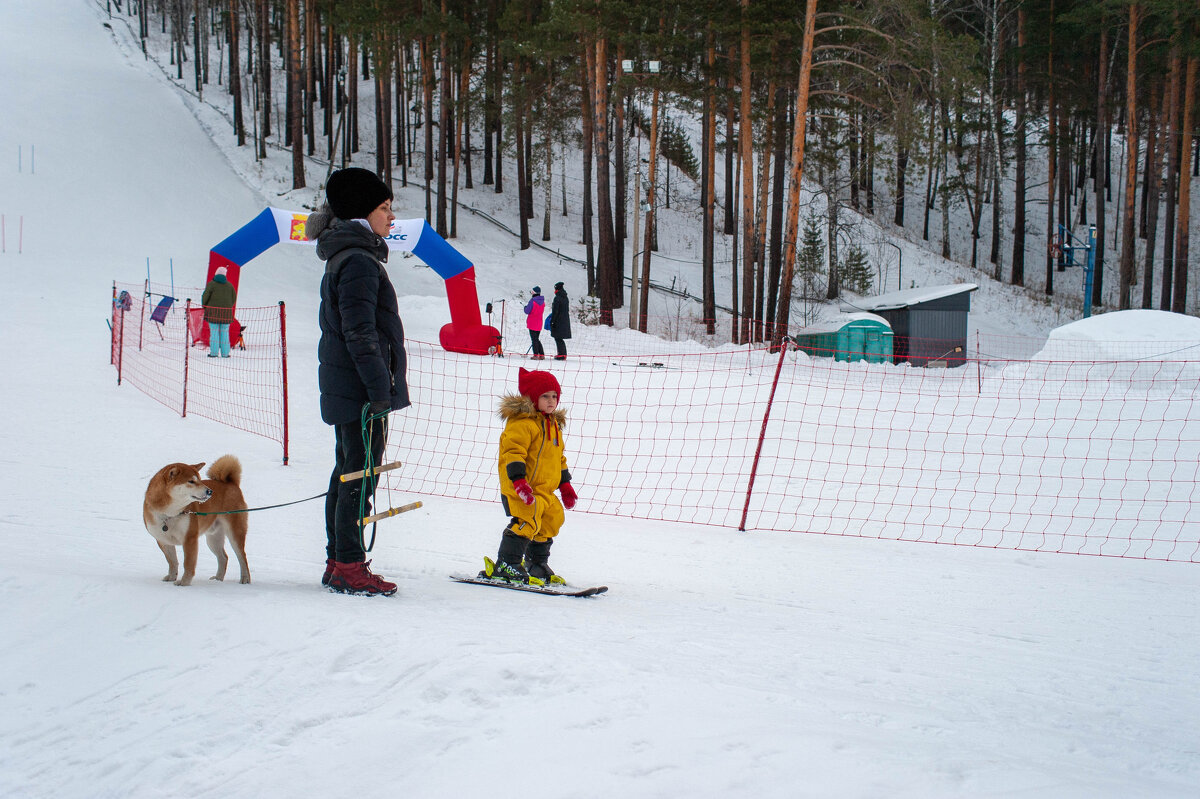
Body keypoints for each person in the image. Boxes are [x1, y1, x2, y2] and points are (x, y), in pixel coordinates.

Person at [306, 167, 408, 597]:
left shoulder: (345, 256)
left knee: (347, 473)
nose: (391, 217)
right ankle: (348, 564)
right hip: (360, 390)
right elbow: (360, 332)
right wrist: (379, 391)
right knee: (359, 476)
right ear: (362, 214)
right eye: (384, 208)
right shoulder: (360, 262)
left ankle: (338, 560)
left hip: (348, 387)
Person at [483, 367, 578, 585]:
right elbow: (513, 453)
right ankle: (507, 564)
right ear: (532, 397)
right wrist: (519, 482)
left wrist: (565, 485)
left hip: (544, 489)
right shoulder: (522, 423)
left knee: (551, 520)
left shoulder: (553, 425)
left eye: (554, 396)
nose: (551, 401)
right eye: (545, 396)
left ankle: (535, 564)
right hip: (520, 487)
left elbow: (558, 458)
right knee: (526, 521)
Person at [201, 266, 236, 358]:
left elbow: (205, 297)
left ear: (216, 274)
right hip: (226, 314)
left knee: (214, 333)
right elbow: (233, 299)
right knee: (225, 333)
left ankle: (214, 353)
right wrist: (227, 307)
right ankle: (225, 354)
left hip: (213, 313)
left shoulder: (211, 284)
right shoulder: (230, 286)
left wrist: (205, 306)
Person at [550, 281, 572, 360]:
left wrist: (552, 321)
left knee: (558, 337)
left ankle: (561, 354)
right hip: (564, 319)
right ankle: (563, 354)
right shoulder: (565, 297)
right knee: (559, 337)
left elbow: (555, 311)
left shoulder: (557, 298)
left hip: (558, 320)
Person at [524, 286, 546, 359]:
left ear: (534, 293)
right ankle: (541, 354)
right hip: (539, 323)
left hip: (532, 322)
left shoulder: (532, 301)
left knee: (534, 339)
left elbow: (527, 311)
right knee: (536, 339)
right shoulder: (543, 302)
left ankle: (536, 354)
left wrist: (525, 307)